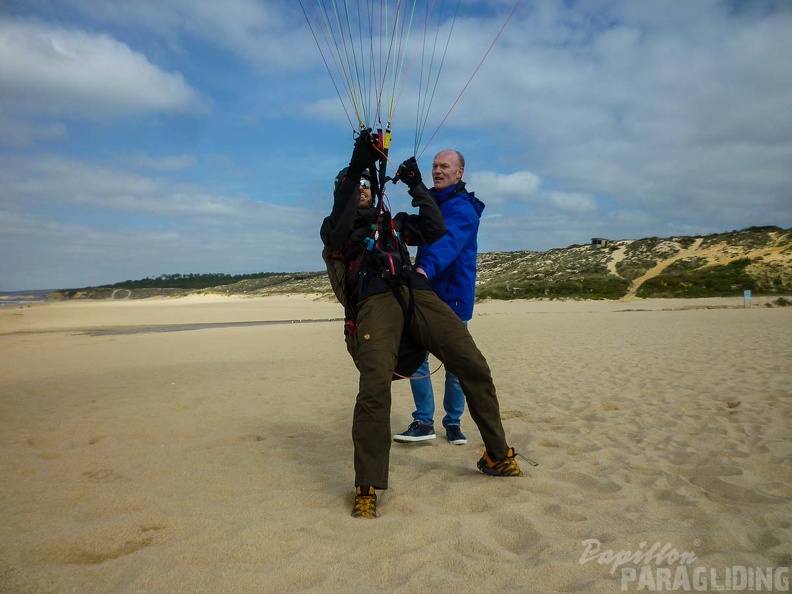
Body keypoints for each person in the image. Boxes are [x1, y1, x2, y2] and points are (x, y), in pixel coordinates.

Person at [320, 130, 523, 519]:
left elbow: (435, 229)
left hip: (416, 293)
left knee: (472, 363)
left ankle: (497, 455)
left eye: (365, 186)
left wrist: (416, 185)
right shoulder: (336, 231)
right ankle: (367, 486)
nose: (360, 190)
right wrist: (360, 162)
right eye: (352, 187)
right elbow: (343, 216)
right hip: (375, 301)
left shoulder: (393, 224)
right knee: (375, 383)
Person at [393, 149, 482, 447]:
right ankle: (423, 421)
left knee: (455, 364)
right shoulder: (431, 203)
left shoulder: (464, 209)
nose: (437, 171)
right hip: (426, 291)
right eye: (434, 166)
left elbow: (447, 243)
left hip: (453, 295)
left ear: (459, 173)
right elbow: (423, 232)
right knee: (417, 357)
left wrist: (423, 270)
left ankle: (453, 422)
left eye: (445, 166)